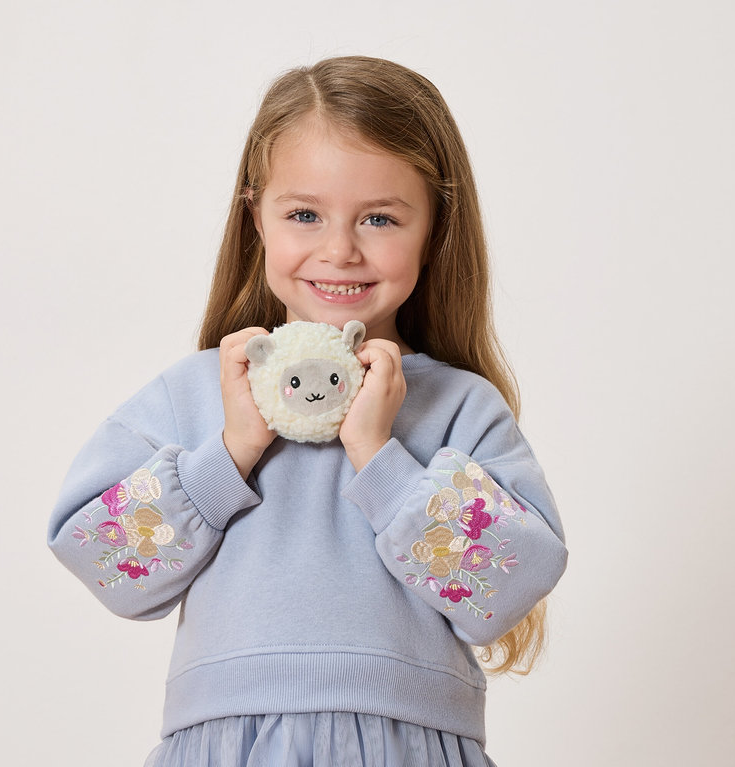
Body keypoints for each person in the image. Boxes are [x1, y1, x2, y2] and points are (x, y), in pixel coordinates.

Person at [48, 55, 568, 766]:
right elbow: (100, 556)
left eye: (380, 217)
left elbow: (509, 586)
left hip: (405, 746)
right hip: (228, 745)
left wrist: (382, 459)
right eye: (303, 214)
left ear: (434, 228)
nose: (340, 250)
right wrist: (227, 453)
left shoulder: (456, 404)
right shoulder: (201, 392)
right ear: (255, 215)